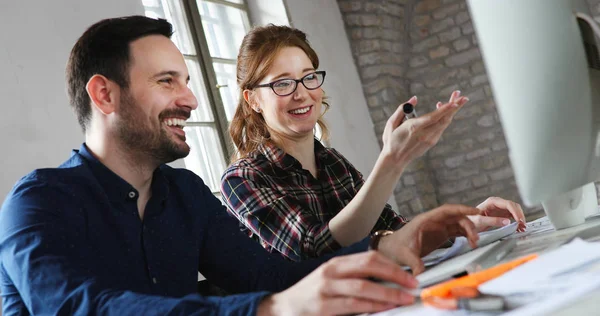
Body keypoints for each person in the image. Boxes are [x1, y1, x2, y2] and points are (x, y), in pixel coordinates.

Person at [0, 16, 485, 316]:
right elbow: (77, 309)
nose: (190, 99)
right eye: (168, 81)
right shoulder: (38, 201)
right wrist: (272, 309)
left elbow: (270, 278)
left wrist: (390, 246)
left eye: (187, 80)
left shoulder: (185, 195)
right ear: (105, 94)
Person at [221, 24, 527, 262]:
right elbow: (315, 249)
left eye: (309, 77)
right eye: (283, 83)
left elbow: (397, 233)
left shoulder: (333, 163)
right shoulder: (241, 179)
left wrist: (466, 221)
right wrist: (392, 161)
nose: (302, 93)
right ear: (254, 100)